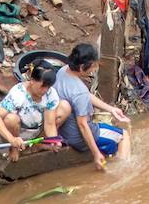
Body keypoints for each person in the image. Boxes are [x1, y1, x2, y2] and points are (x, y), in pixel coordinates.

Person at [53, 43, 131, 171]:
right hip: (76, 138)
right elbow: (83, 125)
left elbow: (84, 96)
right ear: (82, 67)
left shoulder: (63, 71)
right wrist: (96, 153)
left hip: (62, 130)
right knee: (123, 135)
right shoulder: (80, 91)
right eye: (93, 66)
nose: (94, 69)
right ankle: (123, 171)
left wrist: (111, 109)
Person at [0, 64, 62, 160]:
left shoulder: (51, 94)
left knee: (63, 109)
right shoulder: (18, 94)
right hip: (12, 131)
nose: (45, 90)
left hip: (33, 131)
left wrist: (53, 140)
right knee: (11, 119)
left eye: (48, 87)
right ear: (32, 80)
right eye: (42, 86)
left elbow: (49, 124)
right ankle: (14, 148)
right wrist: (12, 139)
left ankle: (36, 145)